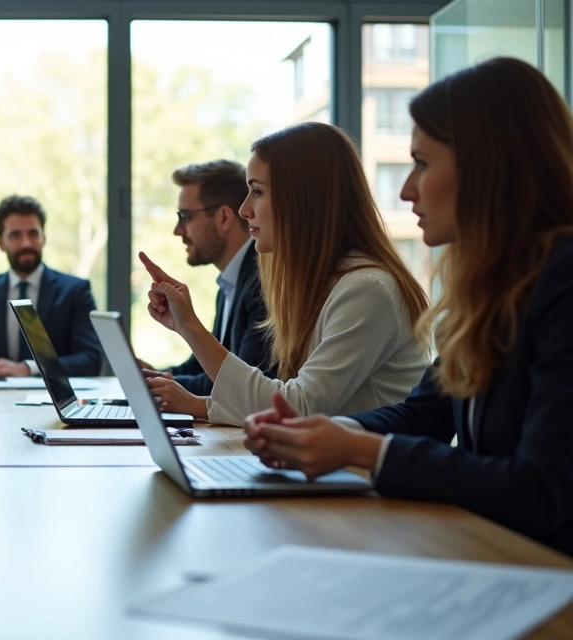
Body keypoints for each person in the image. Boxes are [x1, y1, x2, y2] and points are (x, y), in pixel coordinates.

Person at [243, 58, 573, 556]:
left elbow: (542, 491)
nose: (405, 189)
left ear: (487, 166)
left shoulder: (563, 283)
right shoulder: (489, 290)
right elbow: (424, 417)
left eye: (422, 163)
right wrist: (327, 431)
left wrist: (359, 448)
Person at [140, 122, 429, 425]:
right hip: (333, 468)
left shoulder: (367, 290)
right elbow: (288, 398)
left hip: (364, 472)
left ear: (302, 197)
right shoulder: (319, 285)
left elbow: (296, 407)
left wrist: (189, 326)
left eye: (257, 191)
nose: (244, 209)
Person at [142, 159, 271, 404]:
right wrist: (154, 375)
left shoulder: (261, 282)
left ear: (223, 218)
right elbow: (207, 363)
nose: (177, 230)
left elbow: (241, 384)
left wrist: (157, 383)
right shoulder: (231, 282)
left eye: (185, 216)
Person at [0, 195, 103, 378]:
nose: (26, 243)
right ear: (1, 243)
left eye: (33, 234)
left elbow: (91, 359)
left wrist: (30, 368)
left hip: (54, 402)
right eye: (15, 235)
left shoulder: (75, 291)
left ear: (44, 238)